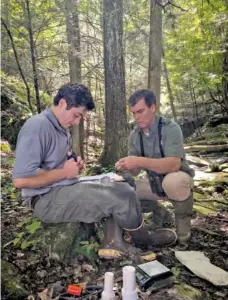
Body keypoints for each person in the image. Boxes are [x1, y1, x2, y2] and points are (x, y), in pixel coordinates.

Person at [12, 83, 177, 260]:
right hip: (46, 199)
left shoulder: (61, 129)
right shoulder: (37, 126)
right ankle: (144, 240)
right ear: (62, 103)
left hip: (63, 187)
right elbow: (21, 180)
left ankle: (112, 239)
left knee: (122, 181)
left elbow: (55, 163)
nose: (76, 122)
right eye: (76, 115)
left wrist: (74, 162)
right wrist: (64, 173)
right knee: (122, 195)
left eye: (80, 118)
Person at [116, 89, 195, 244]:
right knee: (124, 191)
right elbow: (136, 171)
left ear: (153, 107)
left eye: (140, 111)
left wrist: (139, 160)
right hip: (153, 182)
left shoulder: (170, 128)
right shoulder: (134, 135)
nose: (136, 117)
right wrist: (127, 166)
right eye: (133, 113)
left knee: (173, 182)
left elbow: (173, 164)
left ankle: (183, 234)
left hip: (178, 178)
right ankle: (160, 212)